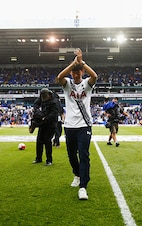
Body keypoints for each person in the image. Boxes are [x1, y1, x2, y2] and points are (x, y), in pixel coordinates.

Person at [56, 48, 97, 200]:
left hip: (84, 125)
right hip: (70, 125)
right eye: (74, 72)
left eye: (78, 72)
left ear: (82, 73)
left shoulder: (87, 83)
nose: (75, 74)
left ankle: (83, 187)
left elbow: (94, 76)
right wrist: (73, 63)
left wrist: (82, 63)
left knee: (84, 154)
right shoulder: (67, 84)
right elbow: (59, 76)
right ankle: (77, 174)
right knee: (72, 155)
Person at [30, 88, 59, 166]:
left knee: (47, 141)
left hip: (51, 124)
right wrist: (37, 111)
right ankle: (38, 158)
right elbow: (35, 104)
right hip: (43, 123)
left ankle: (49, 160)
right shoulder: (41, 97)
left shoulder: (54, 102)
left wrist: (45, 118)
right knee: (39, 140)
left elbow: (54, 114)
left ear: (49, 95)